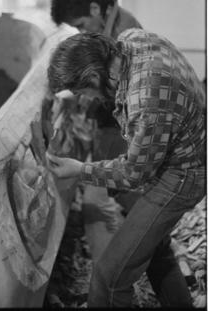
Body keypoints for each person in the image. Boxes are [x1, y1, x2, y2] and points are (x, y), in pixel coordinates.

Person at [46, 29, 206, 308]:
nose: (88, 99)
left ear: (94, 77)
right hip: (186, 150)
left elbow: (133, 173)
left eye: (82, 92)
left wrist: (79, 169)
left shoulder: (146, 98)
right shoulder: (132, 40)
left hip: (184, 174)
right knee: (155, 250)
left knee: (109, 278)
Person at [50, 0, 143, 239]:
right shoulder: (111, 24)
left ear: (94, 9)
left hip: (120, 126)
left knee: (104, 198)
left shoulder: (123, 34)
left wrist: (82, 97)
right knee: (114, 196)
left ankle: (120, 268)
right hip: (115, 123)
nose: (80, 33)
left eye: (80, 25)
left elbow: (117, 90)